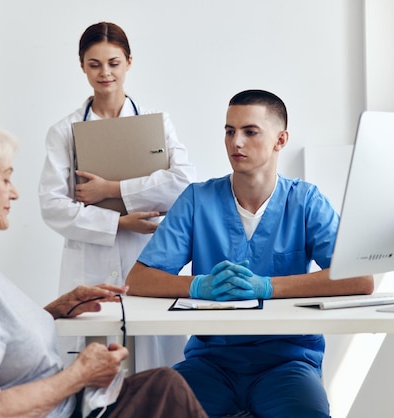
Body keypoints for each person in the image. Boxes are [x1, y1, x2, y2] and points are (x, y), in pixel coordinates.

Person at [0, 114, 208, 418]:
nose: (14, 193)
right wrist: (80, 374)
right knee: (168, 392)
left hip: (62, 408)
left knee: (164, 385)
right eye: (5, 178)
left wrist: (54, 311)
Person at [126, 90, 375, 418]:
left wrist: (269, 287)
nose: (235, 142)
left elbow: (360, 278)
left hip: (287, 362)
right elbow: (139, 279)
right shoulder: (198, 200)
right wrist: (198, 286)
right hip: (211, 362)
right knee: (160, 409)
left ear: (280, 140)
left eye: (250, 131)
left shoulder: (305, 201)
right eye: (229, 131)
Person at [38, 21, 196, 370]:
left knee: (154, 371)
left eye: (113, 62)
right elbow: (52, 206)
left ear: (128, 62)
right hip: (90, 263)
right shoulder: (63, 132)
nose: (104, 73)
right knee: (95, 372)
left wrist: (110, 190)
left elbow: (183, 183)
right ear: (82, 66)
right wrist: (119, 223)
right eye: (94, 64)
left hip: (147, 258)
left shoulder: (157, 124)